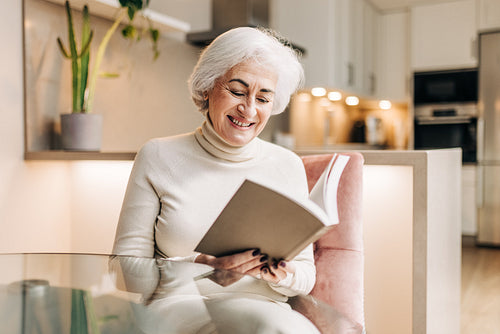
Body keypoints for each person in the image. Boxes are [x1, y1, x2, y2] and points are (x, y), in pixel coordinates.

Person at [112, 26, 319, 333]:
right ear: (207, 87)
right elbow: (123, 272)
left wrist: (280, 275)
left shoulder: (287, 165)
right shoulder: (158, 155)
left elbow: (305, 275)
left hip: (265, 312)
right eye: (237, 91)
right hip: (179, 305)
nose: (248, 109)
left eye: (263, 98)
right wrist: (200, 267)